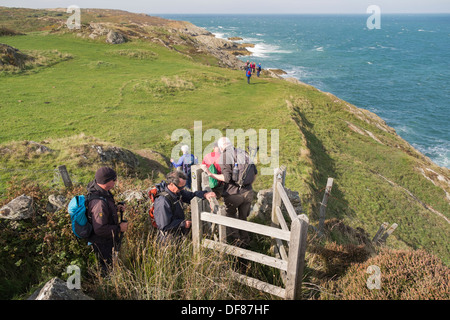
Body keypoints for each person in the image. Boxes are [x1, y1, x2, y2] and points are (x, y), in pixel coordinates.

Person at [206, 137, 257, 248]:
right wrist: (247, 185)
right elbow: (255, 173)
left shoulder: (224, 156)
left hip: (233, 193)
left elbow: (227, 178)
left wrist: (211, 174)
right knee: (243, 217)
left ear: (220, 147)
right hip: (248, 192)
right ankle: (246, 241)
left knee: (231, 215)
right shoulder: (244, 153)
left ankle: (236, 242)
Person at [153, 170, 216, 244]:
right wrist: (183, 224)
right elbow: (164, 226)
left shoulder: (177, 192)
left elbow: (191, 196)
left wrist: (204, 194)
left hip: (177, 234)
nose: (182, 189)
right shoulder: (163, 202)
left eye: (184, 186)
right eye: (181, 187)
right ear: (171, 184)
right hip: (167, 239)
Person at [86, 166, 128, 275]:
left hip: (107, 240)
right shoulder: (98, 203)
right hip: (102, 243)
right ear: (106, 181)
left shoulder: (103, 191)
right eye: (114, 179)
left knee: (109, 266)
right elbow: (100, 228)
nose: (115, 182)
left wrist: (115, 208)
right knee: (106, 269)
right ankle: (107, 287)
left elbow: (106, 209)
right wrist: (119, 228)